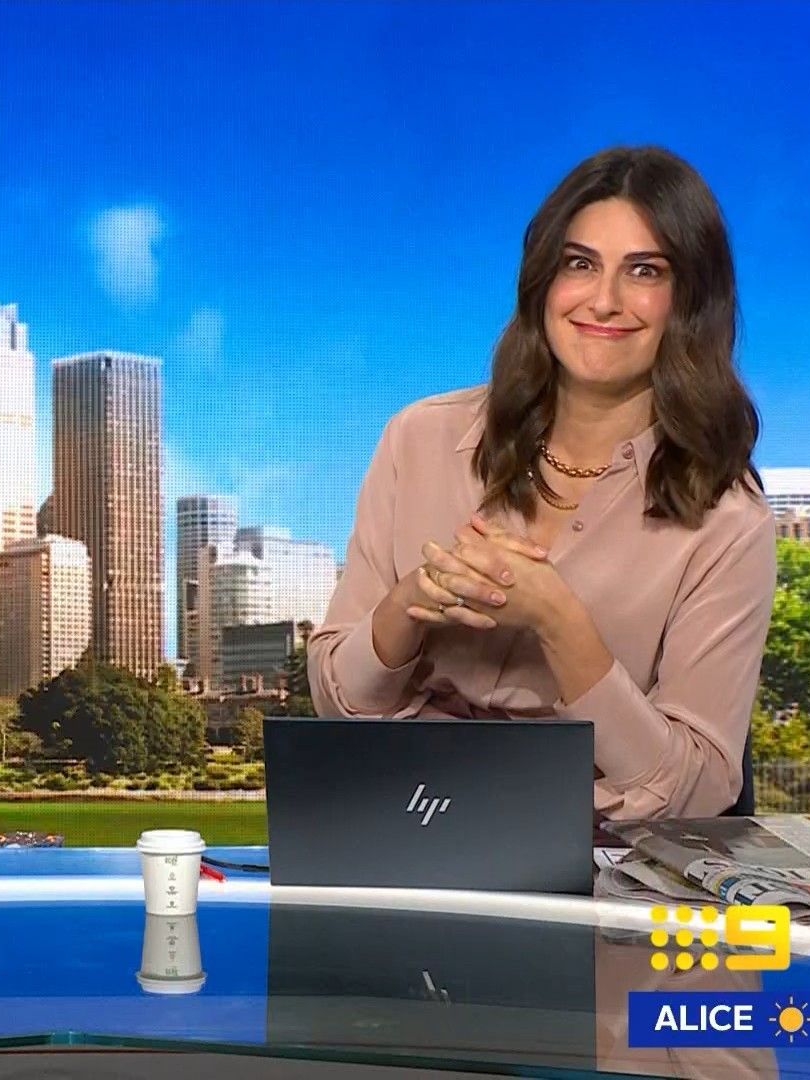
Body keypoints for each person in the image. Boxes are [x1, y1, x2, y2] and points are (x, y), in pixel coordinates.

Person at [306, 146, 774, 820]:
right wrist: (408, 605)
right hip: (401, 836)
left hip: (602, 864)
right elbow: (336, 701)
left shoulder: (728, 519)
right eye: (579, 264)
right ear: (542, 281)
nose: (604, 301)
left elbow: (698, 790)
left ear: (691, 300)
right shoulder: (418, 439)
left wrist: (560, 625)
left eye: (644, 271)